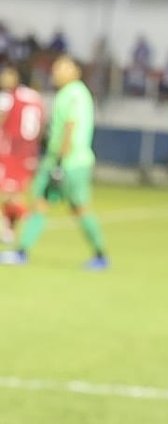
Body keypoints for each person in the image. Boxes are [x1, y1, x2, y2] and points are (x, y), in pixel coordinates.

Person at [1, 55, 108, 269]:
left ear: (76, 71)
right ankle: (22, 251)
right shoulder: (72, 93)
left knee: (76, 208)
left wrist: (59, 163)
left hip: (68, 162)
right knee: (42, 204)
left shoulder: (73, 93)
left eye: (62, 67)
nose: (56, 71)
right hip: (67, 160)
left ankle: (100, 254)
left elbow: (70, 125)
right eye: (56, 67)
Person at [0, 66, 44, 245]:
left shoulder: (8, 97)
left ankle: (28, 216)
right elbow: (41, 125)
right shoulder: (35, 97)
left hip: (10, 151)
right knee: (14, 193)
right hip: (28, 152)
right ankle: (9, 230)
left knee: (10, 194)